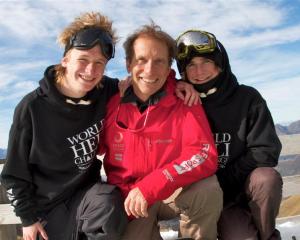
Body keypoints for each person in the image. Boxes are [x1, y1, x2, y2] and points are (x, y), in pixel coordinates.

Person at [0, 12, 128, 240]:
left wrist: (177, 85)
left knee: (108, 202)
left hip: (88, 197)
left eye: (99, 63)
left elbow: (143, 81)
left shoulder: (104, 90)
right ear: (65, 59)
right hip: (47, 208)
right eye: (83, 60)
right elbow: (13, 174)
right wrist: (28, 219)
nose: (90, 71)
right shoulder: (32, 107)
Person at [101, 23, 223, 240]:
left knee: (207, 189)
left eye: (159, 61)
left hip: (173, 192)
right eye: (141, 60)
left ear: (169, 68)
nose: (149, 70)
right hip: (131, 200)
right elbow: (93, 146)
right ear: (129, 64)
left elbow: (203, 154)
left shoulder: (184, 98)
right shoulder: (112, 102)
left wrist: (152, 185)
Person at [176, 29, 283, 240]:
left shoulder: (247, 97)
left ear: (220, 63)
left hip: (244, 187)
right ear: (183, 72)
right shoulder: (181, 102)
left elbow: (266, 151)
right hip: (211, 197)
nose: (199, 71)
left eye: (205, 61)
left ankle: (268, 235)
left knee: (266, 179)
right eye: (190, 65)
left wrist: (224, 180)